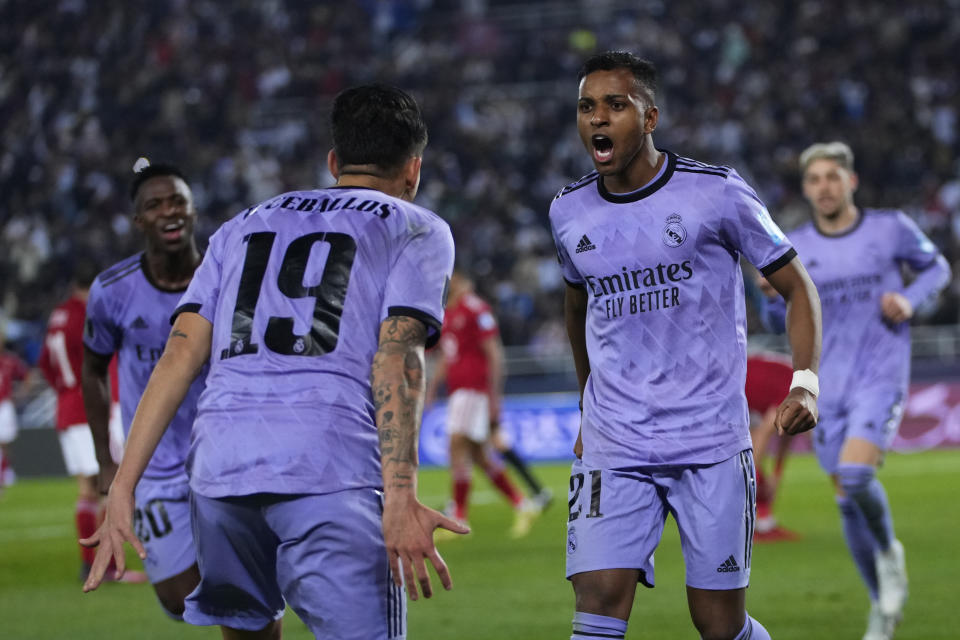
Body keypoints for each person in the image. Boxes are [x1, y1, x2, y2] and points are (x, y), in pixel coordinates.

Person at [82, 83, 467, 640]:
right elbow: (397, 354)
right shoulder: (416, 228)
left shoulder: (242, 224)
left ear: (334, 161)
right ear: (413, 169)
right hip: (329, 467)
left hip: (218, 473)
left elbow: (180, 354)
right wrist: (402, 494)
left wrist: (122, 486)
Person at [549, 51, 822, 640]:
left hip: (710, 441)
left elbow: (798, 287)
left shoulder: (717, 193)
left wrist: (805, 381)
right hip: (614, 440)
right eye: (587, 106)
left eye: (615, 105)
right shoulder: (567, 212)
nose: (598, 119)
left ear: (649, 118)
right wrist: (586, 403)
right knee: (597, 604)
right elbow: (577, 308)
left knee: (719, 624)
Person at [761, 141, 951, 640]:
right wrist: (767, 299)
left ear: (851, 182)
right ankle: (881, 609)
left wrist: (910, 300)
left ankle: (889, 554)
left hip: (879, 376)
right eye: (814, 179)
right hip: (824, 388)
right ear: (805, 189)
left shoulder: (890, 229)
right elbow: (780, 319)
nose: (824, 186)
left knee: (855, 475)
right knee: (846, 502)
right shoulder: (794, 247)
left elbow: (938, 268)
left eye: (832, 177)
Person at [80, 159, 206, 619]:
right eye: (155, 205)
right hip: (153, 469)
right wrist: (106, 461)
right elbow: (92, 369)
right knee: (181, 603)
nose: (169, 212)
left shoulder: (227, 276)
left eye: (178, 201)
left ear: (193, 211)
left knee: (245, 592)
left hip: (222, 458)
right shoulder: (112, 291)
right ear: (139, 221)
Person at [37, 265, 144, 583]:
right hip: (93, 407)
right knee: (109, 487)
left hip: (68, 408)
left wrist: (65, 391)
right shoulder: (91, 312)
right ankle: (108, 567)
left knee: (87, 490)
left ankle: (90, 563)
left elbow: (45, 362)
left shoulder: (58, 315)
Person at [425, 269, 549, 539]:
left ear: (458, 279)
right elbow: (447, 356)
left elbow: (494, 352)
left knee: (456, 443)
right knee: (479, 455)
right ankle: (522, 503)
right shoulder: (449, 313)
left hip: (473, 389)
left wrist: (495, 396)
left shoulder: (475, 308)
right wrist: (433, 388)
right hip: (458, 391)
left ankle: (459, 515)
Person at [744, 351, 798, 542]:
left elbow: (787, 436)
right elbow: (764, 432)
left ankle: (763, 524)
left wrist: (776, 474)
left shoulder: (800, 397)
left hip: (745, 385)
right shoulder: (795, 394)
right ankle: (750, 525)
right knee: (747, 467)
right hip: (730, 383)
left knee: (752, 470)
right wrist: (753, 474)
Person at [0, 333, 30, 490]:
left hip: (4, 405)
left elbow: (26, 374)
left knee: (5, 442)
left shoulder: (9, 361)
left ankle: (5, 471)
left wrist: (22, 393)